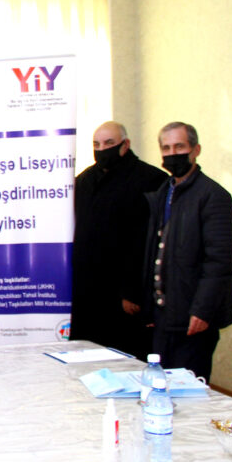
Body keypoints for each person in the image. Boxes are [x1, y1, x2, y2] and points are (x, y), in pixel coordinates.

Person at [142, 122, 232, 382]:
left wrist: (203, 310)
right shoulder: (163, 193)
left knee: (189, 389)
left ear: (196, 150)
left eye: (179, 146)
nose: (172, 154)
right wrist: (149, 307)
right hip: (164, 317)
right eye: (166, 148)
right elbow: (153, 251)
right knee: (160, 384)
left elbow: (220, 261)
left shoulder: (213, 196)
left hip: (194, 317)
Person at [71, 122, 165, 358]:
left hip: (125, 297)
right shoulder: (84, 181)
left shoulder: (151, 180)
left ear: (126, 145)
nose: (102, 149)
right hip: (88, 294)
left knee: (126, 357)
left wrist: (133, 291)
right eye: (96, 144)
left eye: (109, 143)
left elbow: (150, 243)